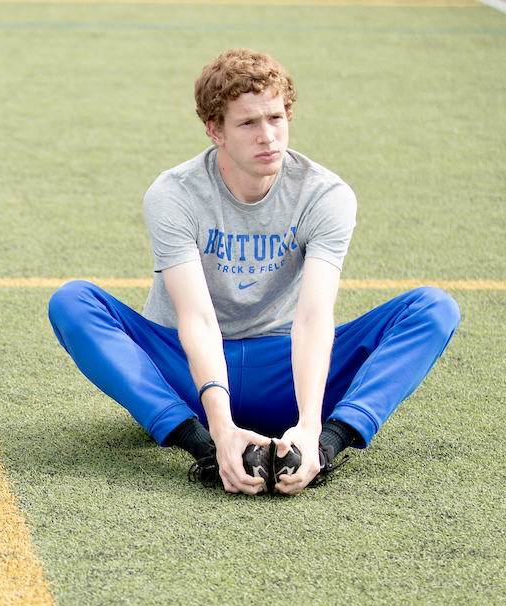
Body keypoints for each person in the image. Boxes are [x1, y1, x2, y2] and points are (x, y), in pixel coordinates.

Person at [48, 49, 459, 496]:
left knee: (434, 308)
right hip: (184, 371)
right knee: (72, 302)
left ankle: (325, 447)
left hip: (282, 366)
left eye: (276, 118)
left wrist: (309, 423)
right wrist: (220, 430)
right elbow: (197, 319)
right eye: (247, 123)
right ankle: (203, 448)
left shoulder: (325, 194)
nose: (268, 137)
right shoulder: (174, 194)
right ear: (215, 130)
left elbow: (313, 318)